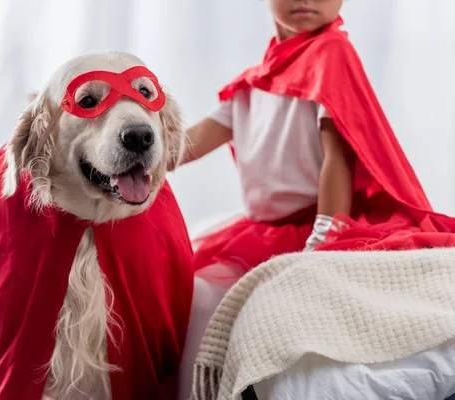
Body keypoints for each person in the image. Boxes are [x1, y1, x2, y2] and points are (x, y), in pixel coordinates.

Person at [176, 2, 455, 397]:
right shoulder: (256, 81)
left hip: (318, 222)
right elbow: (189, 145)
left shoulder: (330, 54)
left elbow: (336, 160)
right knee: (195, 296)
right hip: (264, 228)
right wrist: (137, 145)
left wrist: (323, 237)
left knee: (214, 303)